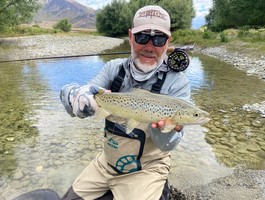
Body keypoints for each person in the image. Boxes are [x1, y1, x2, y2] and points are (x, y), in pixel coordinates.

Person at [60, 5, 190, 200]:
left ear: (168, 41)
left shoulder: (177, 83)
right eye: (142, 37)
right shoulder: (113, 69)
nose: (149, 46)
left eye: (158, 39)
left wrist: (167, 130)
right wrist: (75, 96)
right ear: (130, 36)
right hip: (106, 163)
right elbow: (79, 93)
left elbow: (167, 146)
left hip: (146, 170)